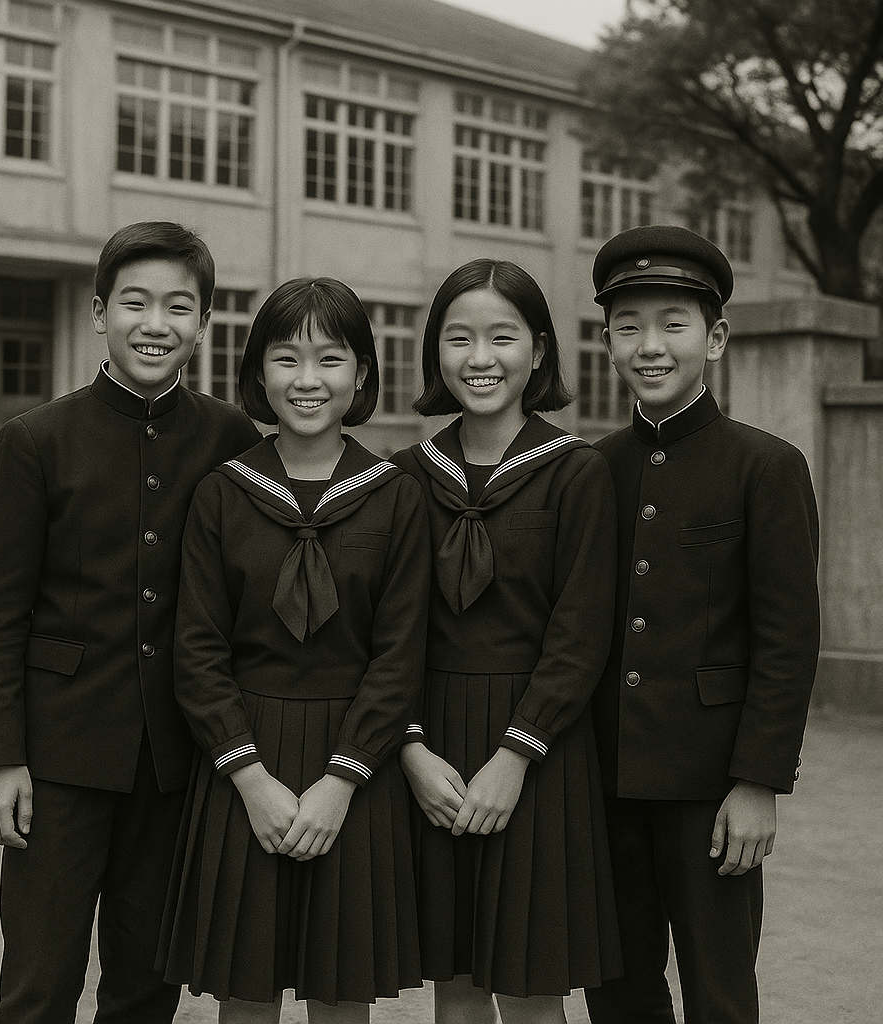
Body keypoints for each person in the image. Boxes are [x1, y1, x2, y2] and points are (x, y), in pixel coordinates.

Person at [0, 221, 261, 1024]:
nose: (155, 323)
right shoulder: (35, 440)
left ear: (204, 321)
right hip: (57, 759)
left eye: (178, 306)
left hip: (176, 762)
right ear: (100, 312)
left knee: (145, 987)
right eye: (135, 302)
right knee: (38, 984)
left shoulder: (231, 437)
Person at [158, 278, 430, 1024]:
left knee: (340, 993)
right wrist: (251, 779)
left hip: (356, 764)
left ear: (363, 374)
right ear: (257, 373)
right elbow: (198, 648)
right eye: (286, 358)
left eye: (331, 359)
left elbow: (401, 652)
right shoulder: (221, 493)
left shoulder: (394, 495)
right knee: (246, 992)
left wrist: (342, 781)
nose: (307, 380)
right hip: (245, 761)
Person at [583, 224, 821, 1024]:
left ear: (714, 337)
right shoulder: (594, 469)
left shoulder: (767, 466)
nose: (651, 345)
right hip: (606, 782)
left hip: (714, 790)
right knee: (618, 993)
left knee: (720, 996)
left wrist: (759, 781)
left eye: (673, 323)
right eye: (628, 326)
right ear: (607, 339)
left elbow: (787, 641)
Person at [392, 259, 623, 1024]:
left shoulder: (577, 475)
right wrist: (412, 749)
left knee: (530, 988)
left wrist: (516, 756)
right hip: (431, 747)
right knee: (455, 986)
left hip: (539, 750)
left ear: (540, 352)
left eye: (502, 337)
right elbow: (388, 635)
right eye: (459, 339)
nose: (480, 358)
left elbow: (580, 636)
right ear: (436, 354)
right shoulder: (402, 479)